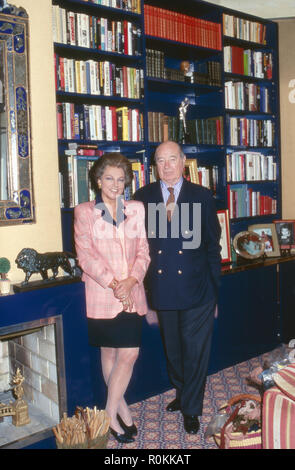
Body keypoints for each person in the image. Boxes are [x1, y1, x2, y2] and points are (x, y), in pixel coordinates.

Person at [134, 141, 221, 434]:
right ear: (154, 165)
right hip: (162, 288)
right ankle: (183, 393)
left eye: (172, 159)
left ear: (183, 161)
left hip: (198, 288)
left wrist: (215, 293)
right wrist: (146, 297)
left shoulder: (201, 196)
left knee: (195, 351)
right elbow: (139, 248)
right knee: (173, 350)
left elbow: (212, 247)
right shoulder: (142, 197)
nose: (167, 165)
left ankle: (192, 408)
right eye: (160, 160)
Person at [74, 153, 150, 444]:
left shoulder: (137, 210)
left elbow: (143, 250)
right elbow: (86, 257)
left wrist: (131, 281)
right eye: (109, 178)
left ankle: (107, 416)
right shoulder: (84, 212)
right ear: (98, 180)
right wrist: (115, 284)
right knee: (109, 353)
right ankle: (124, 414)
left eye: (121, 179)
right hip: (102, 294)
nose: (116, 184)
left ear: (127, 182)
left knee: (129, 353)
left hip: (132, 291)